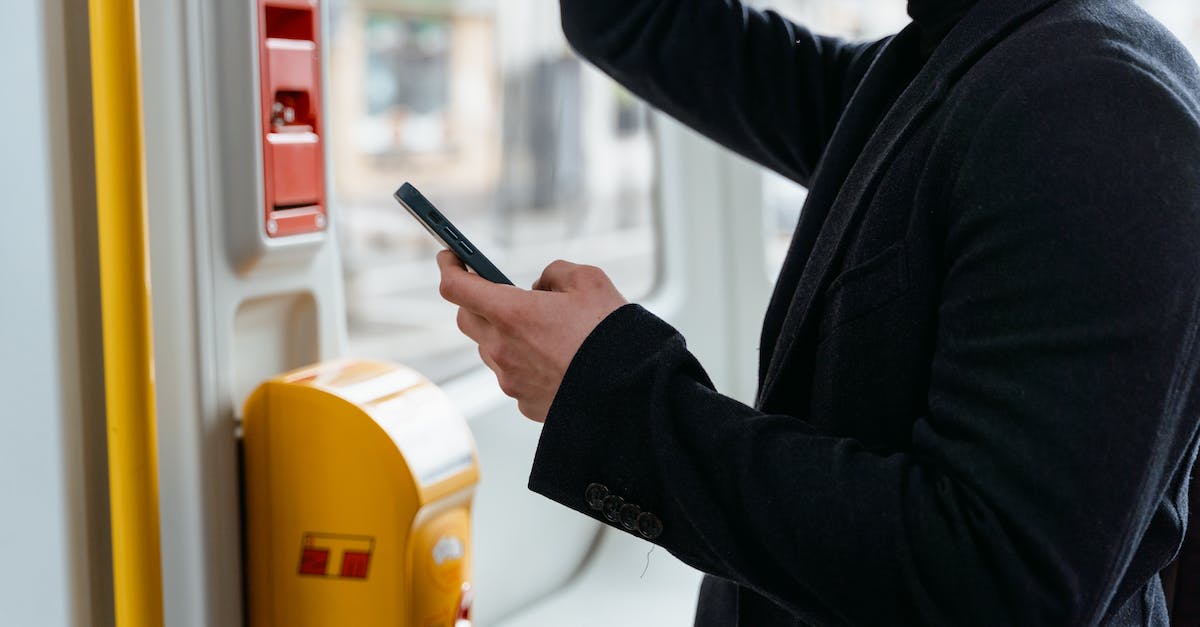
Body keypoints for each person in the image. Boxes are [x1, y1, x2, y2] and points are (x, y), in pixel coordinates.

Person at [436, 0, 1200, 624]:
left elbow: (992, 582)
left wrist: (607, 389)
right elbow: (632, 20)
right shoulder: (938, 59)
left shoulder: (1094, 101)